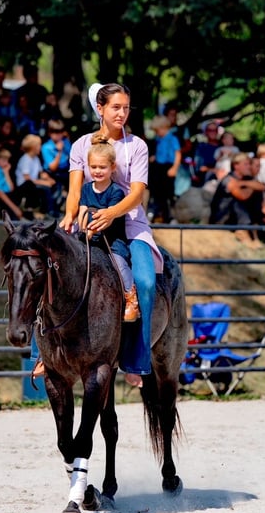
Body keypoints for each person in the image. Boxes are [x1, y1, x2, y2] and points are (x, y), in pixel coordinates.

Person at [57, 82, 161, 388]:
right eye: (116, 107)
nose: (122, 113)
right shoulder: (80, 146)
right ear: (100, 109)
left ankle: (136, 360)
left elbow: (137, 194)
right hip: (88, 224)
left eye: (126, 107)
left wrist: (111, 214)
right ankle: (43, 354)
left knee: (145, 282)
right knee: (49, 275)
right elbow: (75, 190)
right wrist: (69, 214)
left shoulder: (137, 146)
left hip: (129, 226)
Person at [77, 133, 141, 322]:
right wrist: (82, 228)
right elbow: (82, 210)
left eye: (102, 167)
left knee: (119, 263)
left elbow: (107, 218)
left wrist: (92, 229)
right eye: (93, 167)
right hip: (88, 237)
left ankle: (131, 297)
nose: (97, 171)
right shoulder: (86, 189)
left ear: (112, 168)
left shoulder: (116, 192)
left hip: (111, 239)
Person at [209, 153, 265, 247]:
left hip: (238, 218)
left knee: (256, 197)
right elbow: (242, 196)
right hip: (224, 218)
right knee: (237, 203)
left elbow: (261, 186)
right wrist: (252, 186)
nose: (249, 167)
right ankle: (242, 232)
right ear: (236, 166)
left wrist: (243, 183)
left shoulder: (245, 179)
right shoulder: (228, 180)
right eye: (246, 164)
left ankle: (253, 233)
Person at [0, 146, 35, 221]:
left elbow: (11, 189)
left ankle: (28, 211)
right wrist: (15, 208)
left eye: (7, 160)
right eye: (4, 160)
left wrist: (6, 173)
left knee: (28, 184)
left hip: (7, 197)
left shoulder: (3, 172)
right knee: (12, 216)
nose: (7, 163)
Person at [148, 115, 181, 223]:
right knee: (157, 192)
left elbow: (178, 154)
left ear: (164, 128)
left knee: (168, 193)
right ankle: (156, 214)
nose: (157, 133)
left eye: (158, 130)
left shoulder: (172, 138)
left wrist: (174, 168)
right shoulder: (158, 139)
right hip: (159, 167)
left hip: (169, 167)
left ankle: (169, 216)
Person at [16, 134, 59, 217]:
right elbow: (27, 178)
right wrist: (43, 183)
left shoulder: (36, 158)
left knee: (52, 186)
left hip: (34, 182)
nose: (40, 147)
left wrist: (49, 179)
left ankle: (53, 209)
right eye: (39, 145)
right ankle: (48, 211)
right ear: (33, 147)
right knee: (44, 188)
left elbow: (41, 173)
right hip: (25, 185)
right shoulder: (25, 159)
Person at [40, 119, 72, 198]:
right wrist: (59, 151)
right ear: (50, 133)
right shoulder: (46, 147)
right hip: (54, 173)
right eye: (55, 132)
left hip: (66, 170)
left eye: (60, 132)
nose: (59, 135)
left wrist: (67, 139)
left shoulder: (65, 141)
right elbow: (53, 167)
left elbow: (72, 156)